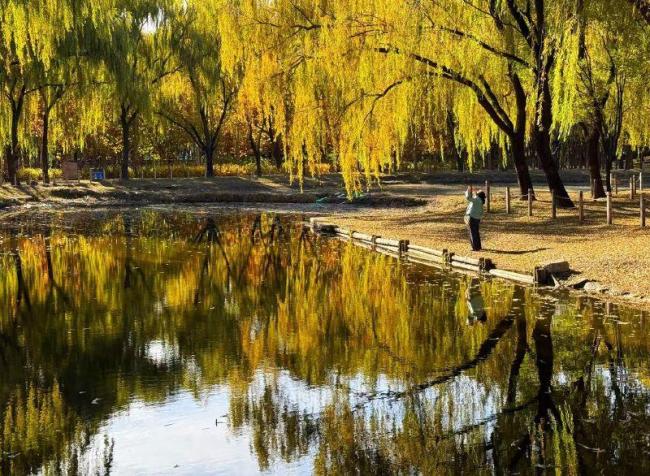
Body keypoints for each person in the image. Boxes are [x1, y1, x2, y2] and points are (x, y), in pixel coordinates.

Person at [464, 186, 486, 251]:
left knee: (472, 232)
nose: (477, 191)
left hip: (472, 217)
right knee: (476, 232)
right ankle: (478, 246)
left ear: (478, 194)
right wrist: (472, 191)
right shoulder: (480, 200)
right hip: (477, 218)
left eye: (478, 191)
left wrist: (468, 189)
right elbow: (472, 197)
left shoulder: (477, 199)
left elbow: (468, 197)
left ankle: (475, 247)